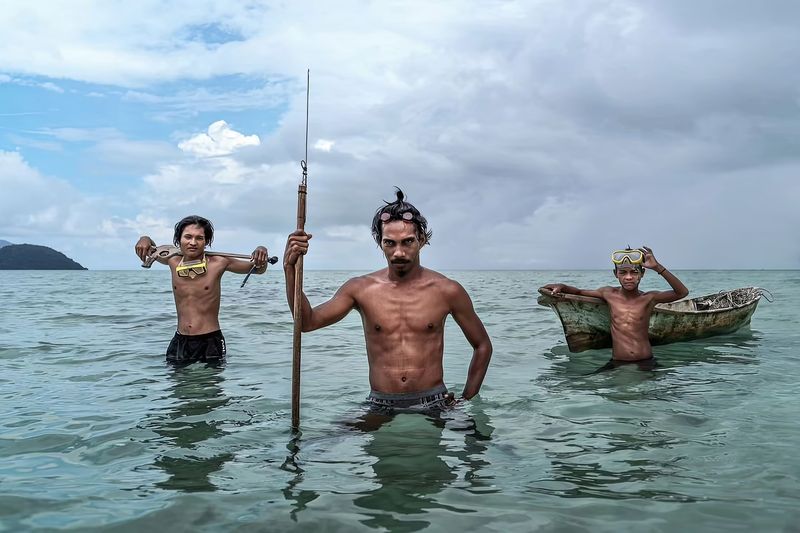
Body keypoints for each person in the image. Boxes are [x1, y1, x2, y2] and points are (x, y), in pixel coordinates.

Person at [283, 189, 493, 413]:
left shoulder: (447, 290)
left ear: (421, 240)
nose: (399, 252)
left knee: (480, 444)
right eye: (390, 243)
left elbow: (482, 346)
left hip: (434, 402)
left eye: (408, 242)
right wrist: (289, 269)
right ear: (379, 242)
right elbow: (307, 322)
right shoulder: (360, 289)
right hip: (379, 404)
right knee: (319, 445)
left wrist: (466, 399)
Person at [135, 215, 271, 365]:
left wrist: (261, 252)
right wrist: (145, 238)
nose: (193, 242)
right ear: (178, 239)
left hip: (210, 341)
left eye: (199, 238)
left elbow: (257, 269)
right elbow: (152, 249)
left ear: (206, 242)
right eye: (188, 237)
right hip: (181, 339)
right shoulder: (172, 259)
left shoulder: (219, 262)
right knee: (178, 387)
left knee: (211, 388)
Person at [542, 246, 689, 371]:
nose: (629, 277)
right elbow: (579, 292)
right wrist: (562, 286)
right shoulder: (608, 293)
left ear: (642, 274)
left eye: (634, 272)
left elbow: (682, 292)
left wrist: (658, 267)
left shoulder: (649, 298)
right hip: (618, 361)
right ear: (615, 274)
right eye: (623, 272)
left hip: (646, 361)